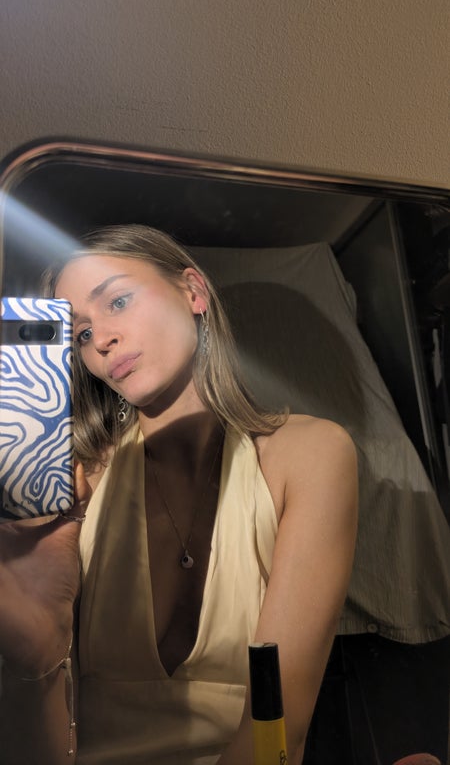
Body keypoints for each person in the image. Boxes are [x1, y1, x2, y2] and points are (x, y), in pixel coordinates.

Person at [0, 224, 358, 765]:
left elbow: (281, 728)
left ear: (193, 291)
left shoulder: (309, 455)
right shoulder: (76, 487)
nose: (100, 340)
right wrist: (38, 661)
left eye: (118, 301)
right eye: (80, 334)